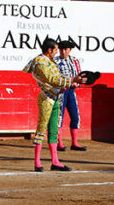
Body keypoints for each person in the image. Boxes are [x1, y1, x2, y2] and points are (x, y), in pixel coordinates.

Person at [22, 38, 79, 172]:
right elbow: (51, 79)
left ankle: (55, 161)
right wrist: (70, 80)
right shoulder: (40, 62)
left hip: (55, 97)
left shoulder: (49, 61)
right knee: (41, 129)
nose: (56, 52)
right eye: (55, 49)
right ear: (49, 50)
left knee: (53, 130)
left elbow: (56, 78)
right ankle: (37, 163)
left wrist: (71, 82)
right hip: (46, 98)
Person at [54, 39, 88, 150]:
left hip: (71, 91)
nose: (63, 51)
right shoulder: (54, 61)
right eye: (61, 49)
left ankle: (74, 143)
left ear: (70, 50)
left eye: (66, 49)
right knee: (59, 117)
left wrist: (77, 84)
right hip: (60, 92)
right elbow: (55, 78)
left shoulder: (75, 61)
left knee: (75, 116)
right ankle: (59, 143)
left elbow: (79, 76)